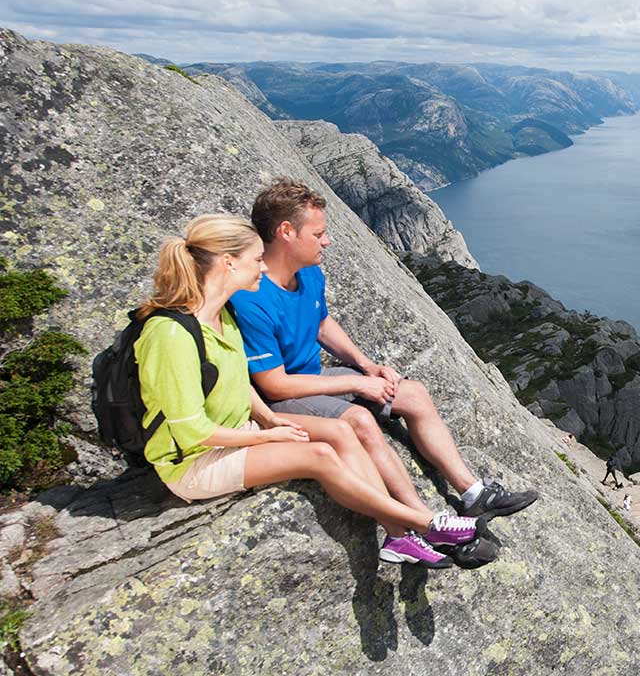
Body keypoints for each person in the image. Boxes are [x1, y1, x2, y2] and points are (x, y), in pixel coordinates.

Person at [133, 215, 482, 567]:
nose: (261, 268)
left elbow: (238, 383)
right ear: (228, 263)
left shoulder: (221, 318)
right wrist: (266, 438)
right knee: (320, 457)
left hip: (238, 431)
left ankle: (397, 537)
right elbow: (190, 430)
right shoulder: (171, 335)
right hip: (195, 462)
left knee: (342, 430)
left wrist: (269, 420)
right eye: (256, 260)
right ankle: (422, 524)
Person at [230, 179, 537, 523]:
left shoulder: (308, 273)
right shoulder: (251, 297)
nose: (327, 241)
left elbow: (321, 324)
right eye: (317, 235)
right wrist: (358, 385)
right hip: (282, 398)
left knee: (414, 394)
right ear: (286, 232)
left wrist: (367, 366)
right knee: (361, 420)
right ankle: (423, 522)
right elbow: (275, 386)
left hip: (314, 378)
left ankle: (472, 494)